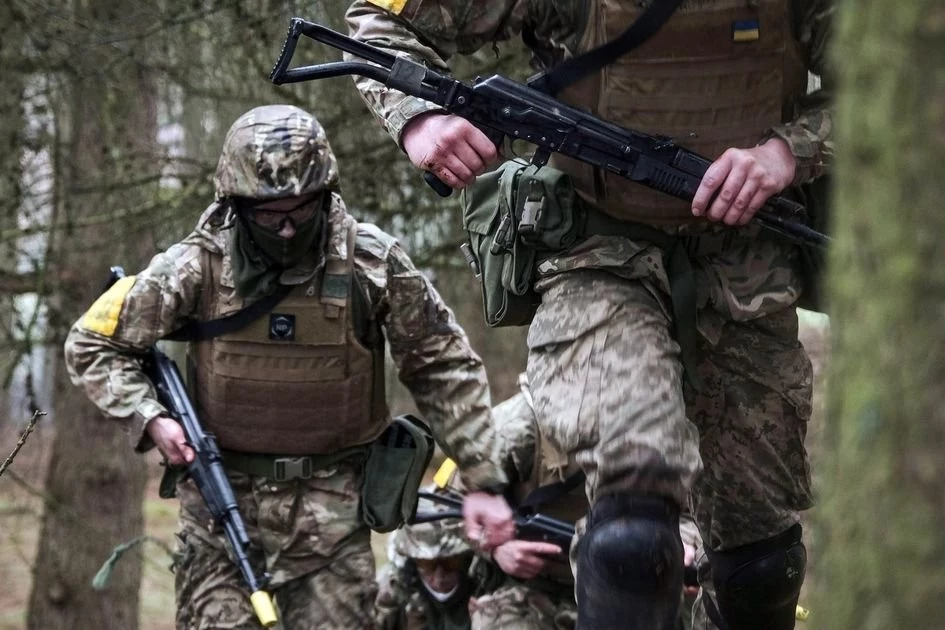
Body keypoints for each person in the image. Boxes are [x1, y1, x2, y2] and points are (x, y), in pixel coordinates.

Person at [346, 3, 832, 629]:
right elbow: (377, 16)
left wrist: (788, 151)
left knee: (761, 565)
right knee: (632, 538)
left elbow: (894, 78)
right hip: (596, 253)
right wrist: (419, 116)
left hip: (749, 266)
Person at [63, 104, 516, 630]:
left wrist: (482, 477)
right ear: (236, 202)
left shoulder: (371, 262)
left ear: (325, 194)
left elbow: (442, 364)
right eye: (268, 213)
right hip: (219, 513)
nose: (285, 229)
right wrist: (151, 418)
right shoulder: (194, 266)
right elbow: (91, 342)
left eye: (301, 211)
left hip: (333, 518)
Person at [462, 375, 702, 630]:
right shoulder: (517, 427)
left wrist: (682, 542)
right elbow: (451, 505)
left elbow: (700, 513)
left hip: (628, 589)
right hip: (532, 590)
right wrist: (498, 549)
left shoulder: (666, 429)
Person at [375, 497, 503, 630]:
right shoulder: (391, 592)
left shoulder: (492, 588)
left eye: (451, 562)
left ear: (468, 559)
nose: (439, 578)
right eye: (426, 564)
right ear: (411, 563)